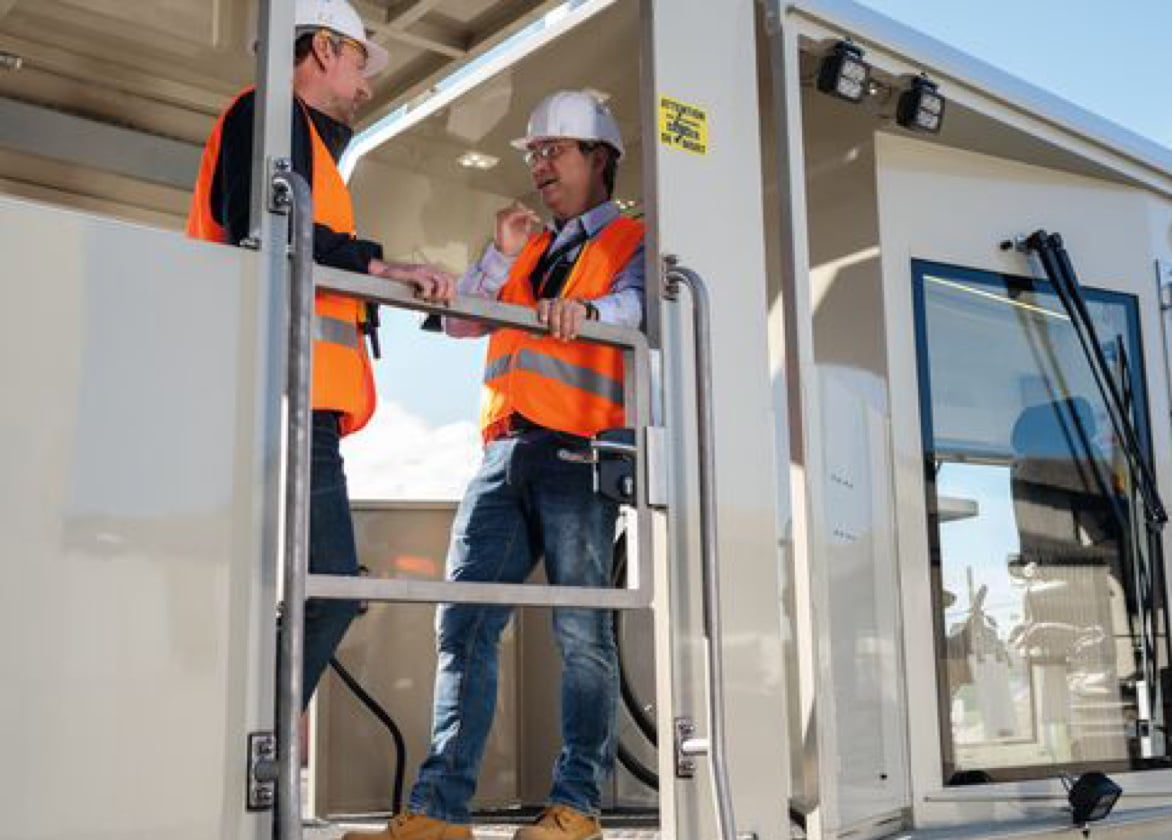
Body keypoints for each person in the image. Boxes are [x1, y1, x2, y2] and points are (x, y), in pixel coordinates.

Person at [345, 90, 644, 840]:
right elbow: (457, 322)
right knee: (465, 624)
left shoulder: (635, 238)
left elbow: (639, 306)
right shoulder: (529, 247)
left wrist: (596, 314)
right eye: (534, 153)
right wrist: (498, 255)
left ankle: (577, 808)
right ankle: (440, 812)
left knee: (581, 632)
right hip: (501, 452)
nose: (541, 164)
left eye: (555, 150)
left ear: (598, 158)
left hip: (581, 452)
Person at [187, 0, 455, 708]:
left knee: (304, 591)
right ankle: (252, 757)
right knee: (329, 591)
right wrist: (383, 268)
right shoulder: (264, 113)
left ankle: (248, 762)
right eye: (360, 61)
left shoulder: (300, 137)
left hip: (298, 401)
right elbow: (265, 229)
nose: (366, 84)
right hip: (279, 396)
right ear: (325, 50)